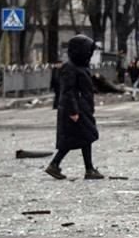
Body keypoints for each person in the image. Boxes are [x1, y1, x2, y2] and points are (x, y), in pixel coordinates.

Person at [45, 35, 104, 180]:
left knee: (84, 138)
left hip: (83, 108)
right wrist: (73, 111)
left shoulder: (80, 66)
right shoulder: (69, 67)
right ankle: (56, 164)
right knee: (76, 139)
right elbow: (67, 91)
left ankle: (87, 168)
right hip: (75, 109)